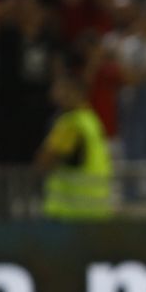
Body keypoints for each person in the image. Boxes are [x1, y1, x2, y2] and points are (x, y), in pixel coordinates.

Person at [37, 68, 113, 221]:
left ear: (73, 91)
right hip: (96, 210)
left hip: (69, 213)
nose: (54, 93)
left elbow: (44, 161)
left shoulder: (69, 125)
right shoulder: (91, 120)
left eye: (59, 88)